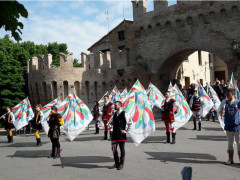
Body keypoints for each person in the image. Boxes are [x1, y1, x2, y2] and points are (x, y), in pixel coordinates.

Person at [108, 101, 132, 170]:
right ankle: (116, 163)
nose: (114, 106)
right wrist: (111, 122)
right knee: (113, 149)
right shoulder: (114, 113)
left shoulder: (125, 113)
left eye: (116, 105)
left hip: (121, 135)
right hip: (114, 134)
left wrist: (126, 130)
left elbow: (131, 123)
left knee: (122, 149)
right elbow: (115, 123)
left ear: (119, 105)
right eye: (114, 105)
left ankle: (121, 163)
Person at [219, 89, 240, 165]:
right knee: (230, 143)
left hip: (237, 126)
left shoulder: (238, 102)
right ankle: (230, 159)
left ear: (233, 94)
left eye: (228, 94)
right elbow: (220, 112)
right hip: (228, 126)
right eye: (226, 94)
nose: (227, 96)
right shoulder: (224, 103)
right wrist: (222, 112)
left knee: (239, 143)